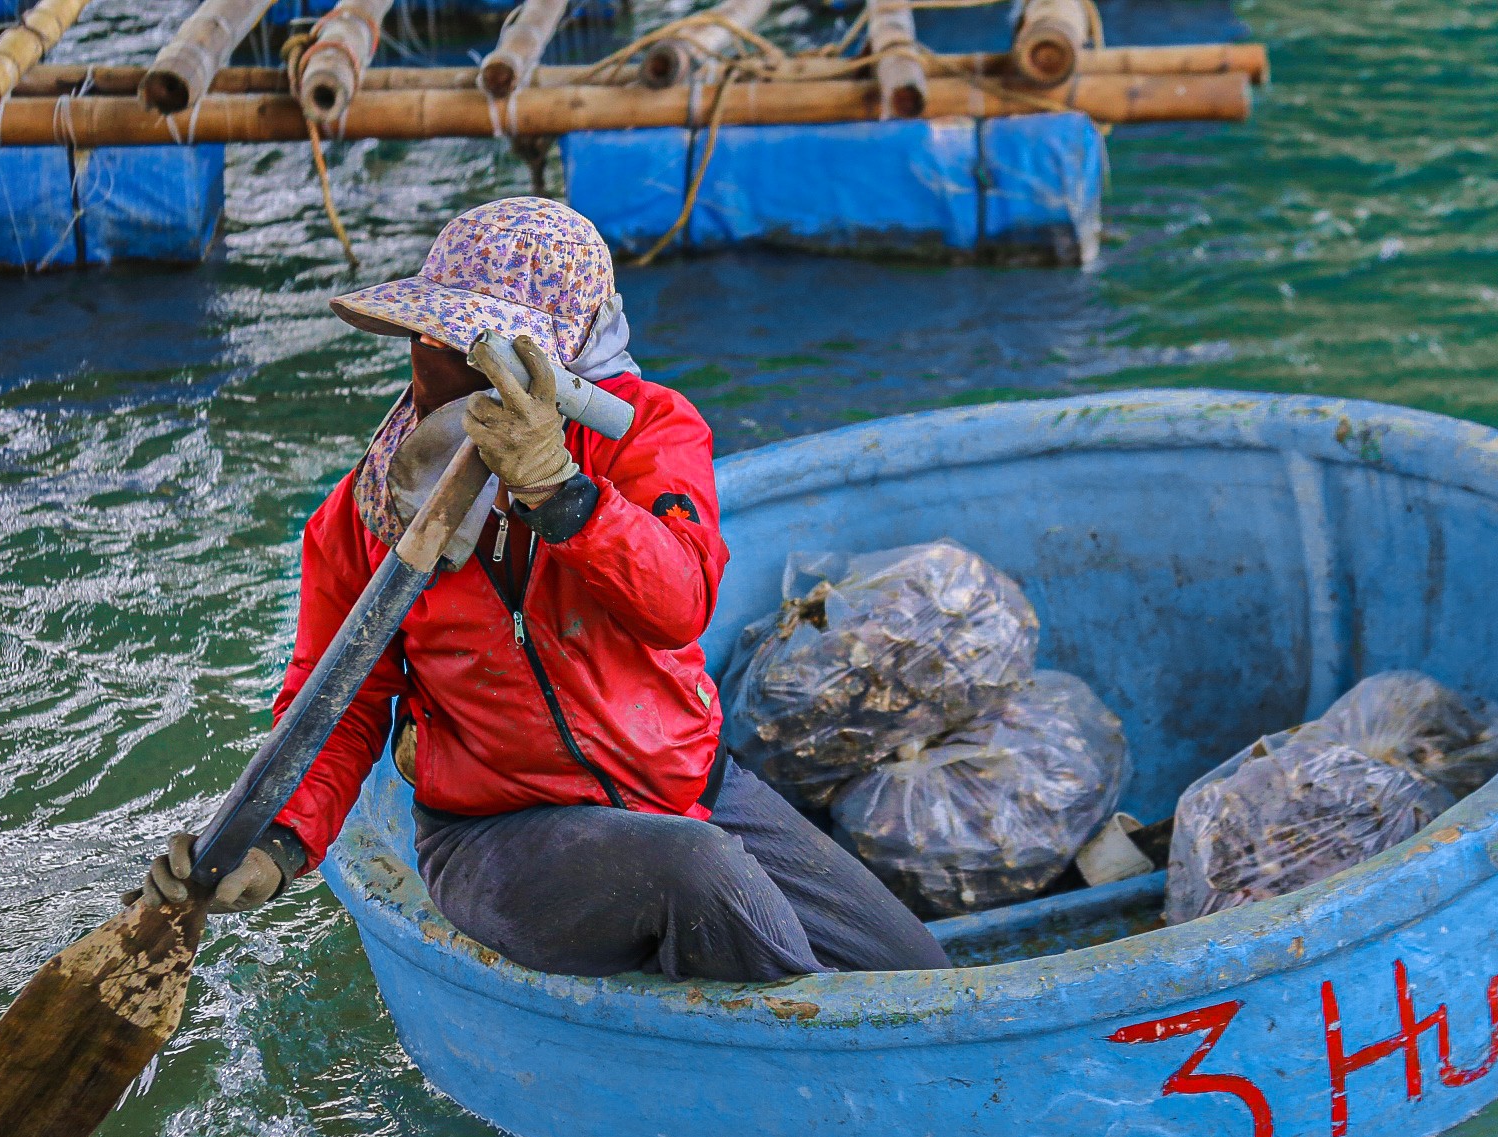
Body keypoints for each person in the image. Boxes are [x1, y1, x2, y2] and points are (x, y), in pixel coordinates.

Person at [136, 197, 949, 982]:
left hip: (690, 792)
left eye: (483, 350)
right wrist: (276, 842)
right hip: (501, 838)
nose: (446, 370)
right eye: (438, 342)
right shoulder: (369, 509)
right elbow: (340, 700)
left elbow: (678, 606)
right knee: (700, 877)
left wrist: (561, 494)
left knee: (910, 966)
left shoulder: (647, 430)